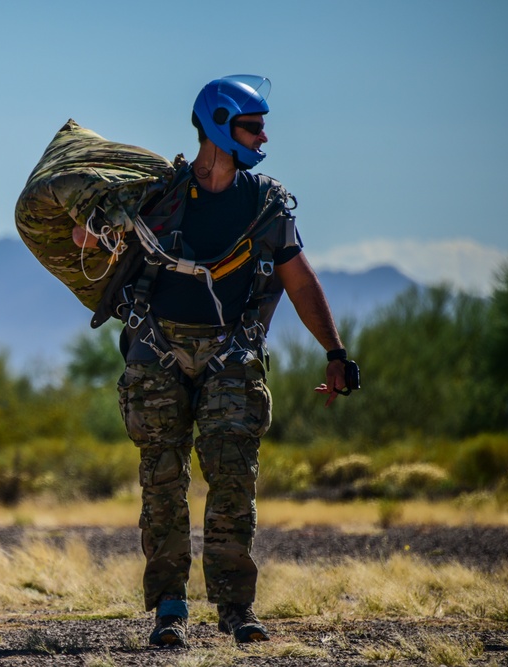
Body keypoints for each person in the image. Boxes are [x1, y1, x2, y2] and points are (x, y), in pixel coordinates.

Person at [72, 75, 357, 647]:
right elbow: (90, 237)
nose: (264, 136)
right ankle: (169, 612)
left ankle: (236, 610)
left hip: (233, 353)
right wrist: (91, 234)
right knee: (162, 481)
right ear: (220, 124)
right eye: (254, 126)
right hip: (156, 351)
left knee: (233, 482)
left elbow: (298, 281)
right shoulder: (159, 194)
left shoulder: (267, 203)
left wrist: (335, 351)